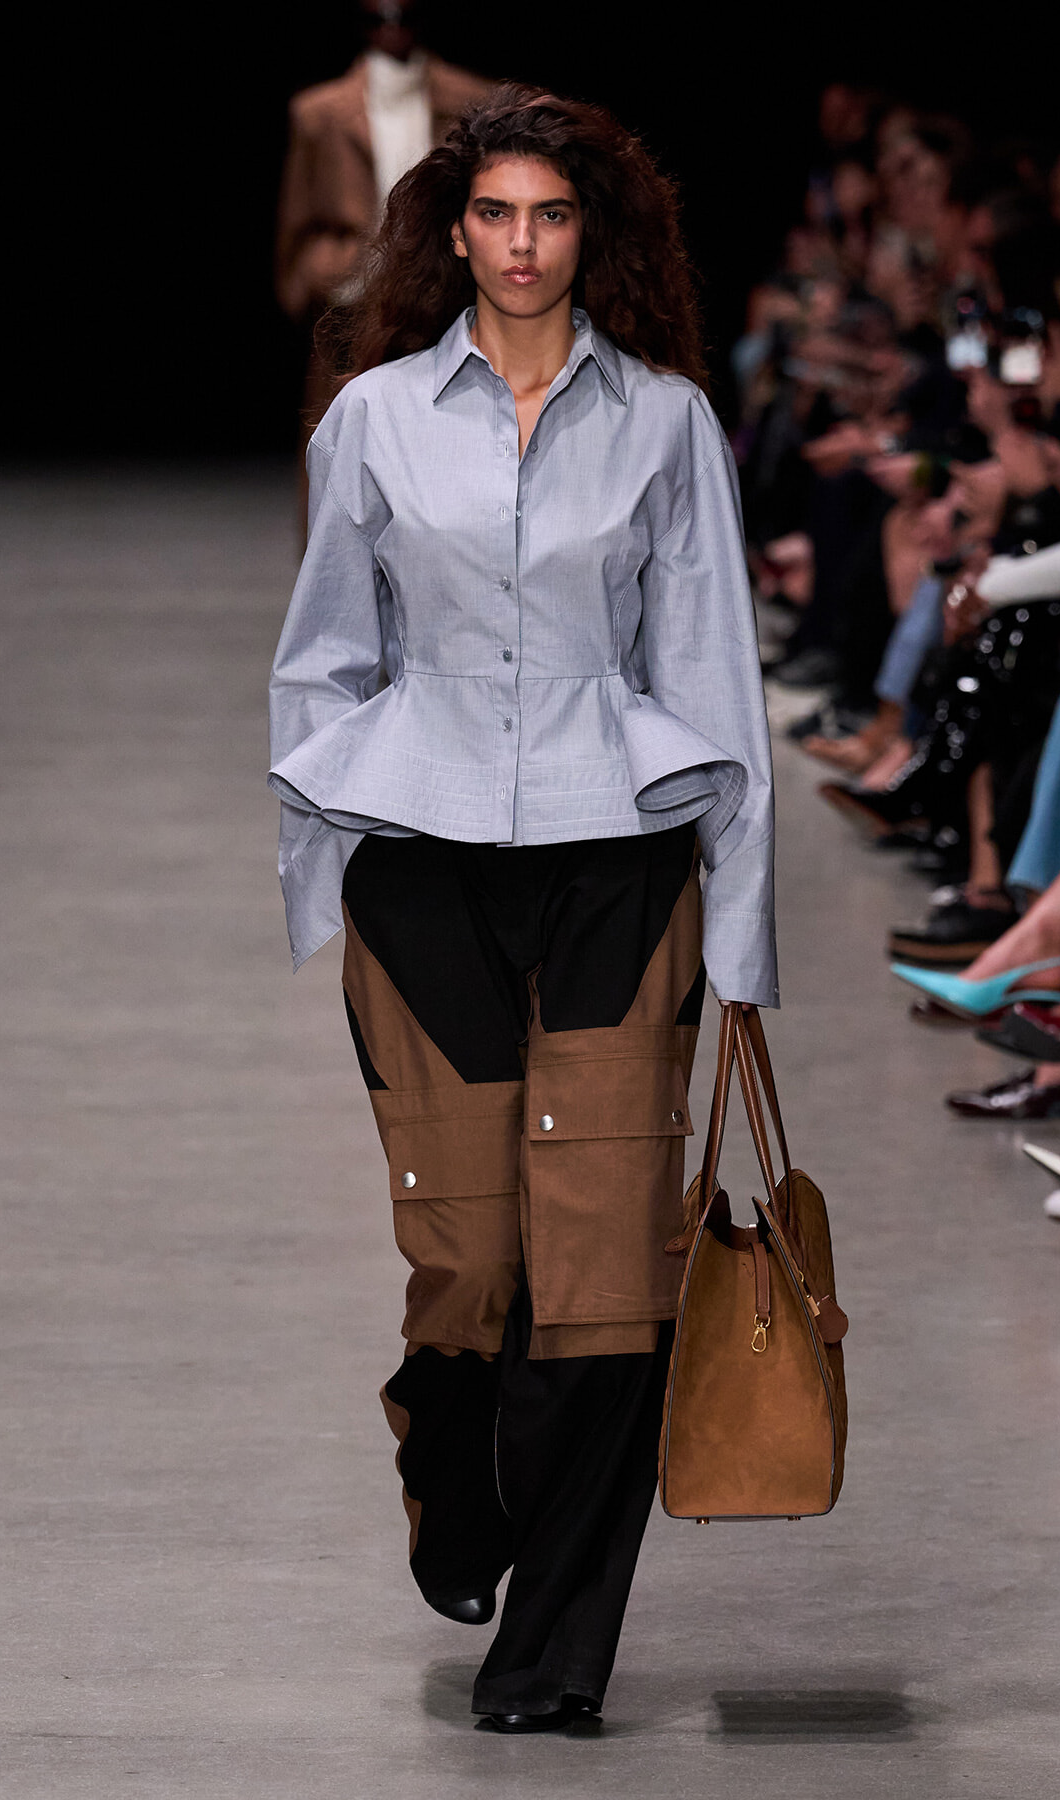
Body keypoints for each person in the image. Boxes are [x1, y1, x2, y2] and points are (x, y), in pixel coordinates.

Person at [268, 84, 776, 1732]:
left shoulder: (669, 424)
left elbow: (716, 687)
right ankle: (453, 1470)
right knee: (472, 1267)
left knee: (605, 1277)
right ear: (455, 229)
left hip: (618, 856)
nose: (523, 243)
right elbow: (323, 654)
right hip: (421, 874)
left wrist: (748, 942)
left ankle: (553, 1657)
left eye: (553, 215)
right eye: (495, 214)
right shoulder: (374, 423)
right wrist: (324, 841)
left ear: (594, 232)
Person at [275, 0, 490, 424]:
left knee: (441, 412)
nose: (392, 29)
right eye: (379, 19)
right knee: (337, 417)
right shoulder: (319, 111)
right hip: (351, 287)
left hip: (442, 279)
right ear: (364, 26)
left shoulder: (473, 100)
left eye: (404, 17)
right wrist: (306, 277)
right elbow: (296, 211)